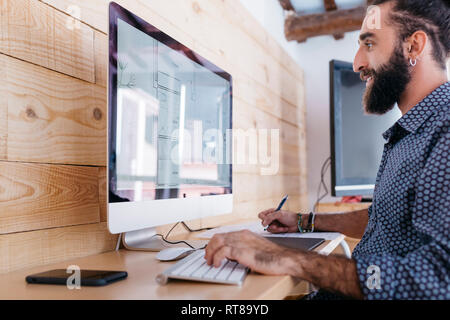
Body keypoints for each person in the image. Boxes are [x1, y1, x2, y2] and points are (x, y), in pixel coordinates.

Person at [204, 0, 449, 300]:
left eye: (369, 44)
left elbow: (439, 281)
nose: (358, 62)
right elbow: (385, 218)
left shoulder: (445, 131)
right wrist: (305, 222)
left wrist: (287, 259)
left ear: (413, 46)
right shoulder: (413, 133)